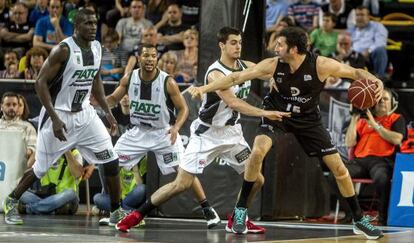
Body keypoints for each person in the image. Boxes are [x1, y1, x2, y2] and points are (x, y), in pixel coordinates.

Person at [188, 27, 384, 239]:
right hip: (276, 113)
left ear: (293, 49)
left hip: (308, 119)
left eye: (280, 44)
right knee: (257, 153)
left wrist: (376, 81)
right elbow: (236, 77)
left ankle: (358, 219)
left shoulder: (321, 64)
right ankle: (240, 210)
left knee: (339, 168)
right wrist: (203, 89)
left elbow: (356, 73)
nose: (275, 47)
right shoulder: (273, 64)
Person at [115, 27, 289, 233]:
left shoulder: (245, 65)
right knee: (180, 184)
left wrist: (271, 78)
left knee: (257, 178)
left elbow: (266, 69)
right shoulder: (215, 73)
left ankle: (238, 216)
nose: (238, 46)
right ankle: (137, 215)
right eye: (233, 42)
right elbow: (233, 103)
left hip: (232, 134)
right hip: (207, 134)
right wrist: (265, 113)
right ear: (222, 45)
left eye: (240, 42)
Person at [3, 8, 124, 226]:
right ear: (76, 26)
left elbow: (95, 82)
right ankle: (11, 200)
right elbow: (40, 83)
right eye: (87, 23)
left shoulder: (96, 47)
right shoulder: (63, 50)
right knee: (40, 168)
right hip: (59, 115)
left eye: (94, 23)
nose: (92, 27)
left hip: (86, 114)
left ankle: (116, 212)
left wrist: (108, 113)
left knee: (112, 160)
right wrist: (55, 118)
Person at [106, 43, 222, 229]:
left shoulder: (168, 82)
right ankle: (116, 210)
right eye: (146, 56)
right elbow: (113, 99)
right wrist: (96, 101)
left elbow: (183, 108)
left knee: (185, 169)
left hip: (163, 133)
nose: (150, 59)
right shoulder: (129, 78)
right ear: (139, 58)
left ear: (156, 58)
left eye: (153, 56)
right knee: (110, 163)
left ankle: (207, 209)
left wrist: (176, 127)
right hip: (137, 132)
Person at [334, 88, 405, 225]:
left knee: (382, 178)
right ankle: (352, 213)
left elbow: (397, 139)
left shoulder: (396, 118)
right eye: (378, 99)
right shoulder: (362, 121)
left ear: (392, 102)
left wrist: (374, 125)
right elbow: (349, 142)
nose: (381, 102)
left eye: (385, 99)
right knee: (336, 174)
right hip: (360, 162)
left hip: (382, 161)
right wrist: (354, 118)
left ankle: (383, 217)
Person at [18, 149, 93, 215]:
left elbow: (77, 174)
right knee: (22, 194)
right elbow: (29, 165)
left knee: (71, 193)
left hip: (64, 198)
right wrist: (41, 144)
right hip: (44, 194)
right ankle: (49, 209)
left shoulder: (75, 152)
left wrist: (67, 151)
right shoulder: (46, 151)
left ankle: (30, 209)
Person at [348, 6, 388, 79]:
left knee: (380, 50)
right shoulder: (352, 29)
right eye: (357, 15)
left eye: (362, 15)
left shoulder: (377, 26)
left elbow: (381, 42)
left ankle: (379, 78)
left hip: (370, 57)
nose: (359, 17)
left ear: (368, 16)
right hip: (354, 56)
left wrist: (369, 50)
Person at [0, 92, 37, 169]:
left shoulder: (27, 127)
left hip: (16, 170)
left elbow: (33, 149)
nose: (11, 107)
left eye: (14, 105)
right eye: (8, 104)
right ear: (1, 107)